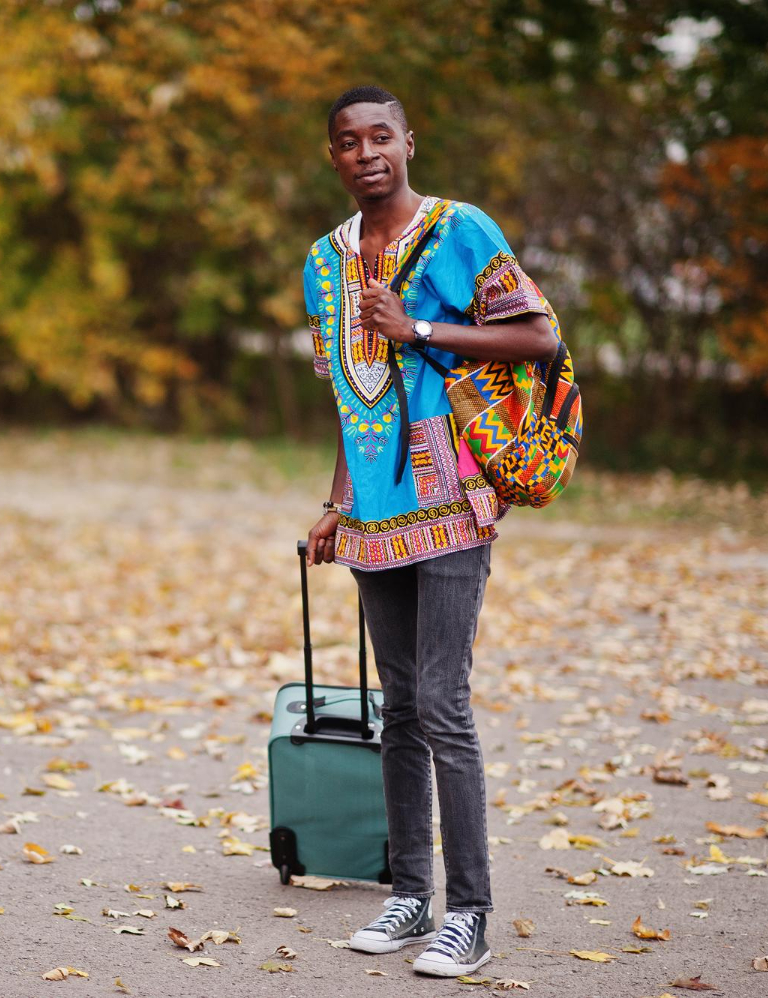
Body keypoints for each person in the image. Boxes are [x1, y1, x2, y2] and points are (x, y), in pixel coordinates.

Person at [302, 85, 558, 978]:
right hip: (374, 513)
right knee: (401, 708)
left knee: (444, 706)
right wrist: (338, 501)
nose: (366, 151)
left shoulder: (462, 229)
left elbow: (539, 337)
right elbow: (345, 390)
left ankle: (471, 913)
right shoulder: (322, 262)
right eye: (348, 141)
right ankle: (410, 897)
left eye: (381, 135)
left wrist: (415, 327)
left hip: (452, 499)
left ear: (409, 141)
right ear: (331, 157)